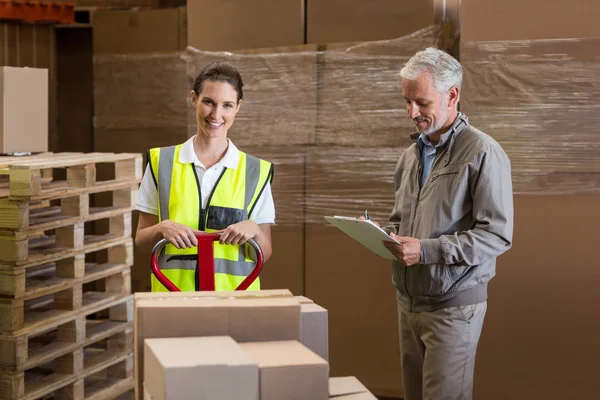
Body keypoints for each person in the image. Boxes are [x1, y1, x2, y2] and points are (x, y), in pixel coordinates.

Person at [366, 48, 514, 399]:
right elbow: (402, 220)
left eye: (421, 103)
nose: (412, 113)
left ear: (452, 95)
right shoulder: (410, 156)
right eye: (406, 101)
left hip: (453, 308)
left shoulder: (482, 153)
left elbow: (496, 235)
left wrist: (427, 250)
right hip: (409, 301)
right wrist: (381, 234)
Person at [134, 61, 275, 292]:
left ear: (238, 107)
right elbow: (141, 240)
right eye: (209, 102)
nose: (216, 114)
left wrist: (255, 230)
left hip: (236, 303)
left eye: (227, 105)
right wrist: (163, 227)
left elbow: (265, 252)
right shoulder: (162, 163)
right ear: (193, 99)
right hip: (174, 299)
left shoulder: (255, 172)